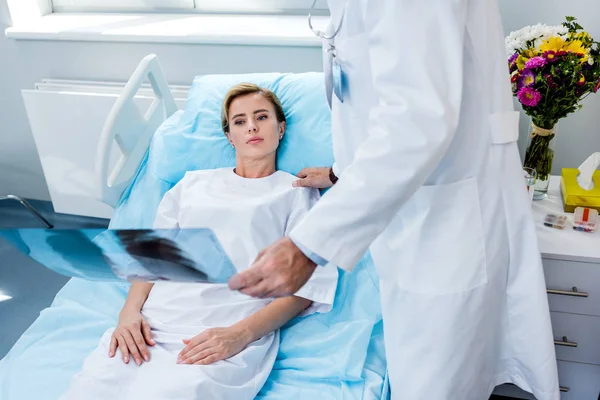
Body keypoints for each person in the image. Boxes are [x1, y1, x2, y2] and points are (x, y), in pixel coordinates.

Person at [228, 1, 560, 399]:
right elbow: (373, 88)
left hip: (445, 217)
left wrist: (308, 246)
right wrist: (342, 173)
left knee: (435, 383)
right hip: (413, 208)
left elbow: (418, 119)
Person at [60, 83, 338, 400]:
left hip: (221, 330)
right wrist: (128, 315)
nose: (251, 127)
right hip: (153, 325)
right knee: (90, 389)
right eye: (239, 121)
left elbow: (305, 290)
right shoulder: (192, 184)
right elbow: (153, 256)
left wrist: (239, 335)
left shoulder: (296, 193)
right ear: (229, 136)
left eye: (261, 117)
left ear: (281, 128)